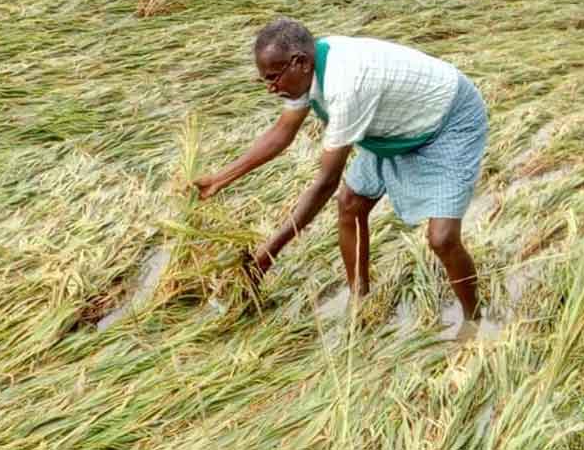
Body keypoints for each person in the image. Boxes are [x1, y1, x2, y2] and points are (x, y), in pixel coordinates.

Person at [194, 17, 488, 321]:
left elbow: (325, 183)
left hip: (449, 120)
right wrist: (219, 179)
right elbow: (282, 133)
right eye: (264, 80)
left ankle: (473, 320)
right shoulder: (305, 74)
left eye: (273, 77)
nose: (271, 88)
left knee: (442, 238)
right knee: (351, 204)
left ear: (300, 63)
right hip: (394, 125)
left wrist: (266, 255)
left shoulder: (345, 85)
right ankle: (361, 302)